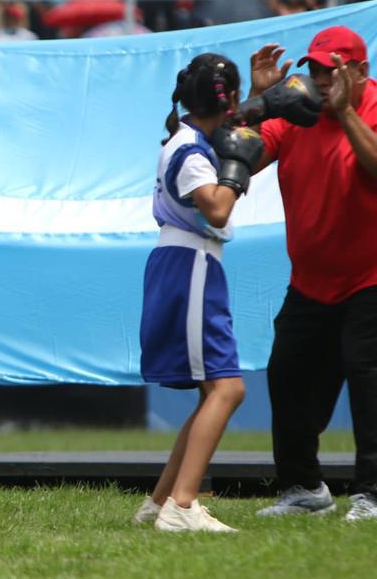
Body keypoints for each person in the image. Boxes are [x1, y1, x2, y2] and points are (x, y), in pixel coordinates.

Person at [250, 27, 377, 522]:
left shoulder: (365, 108)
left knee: (369, 383)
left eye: (333, 70)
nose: (322, 80)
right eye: (316, 69)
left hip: (370, 277)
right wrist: (259, 102)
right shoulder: (296, 112)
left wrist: (345, 113)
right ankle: (303, 488)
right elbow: (243, 159)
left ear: (360, 72)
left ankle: (371, 493)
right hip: (310, 281)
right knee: (288, 376)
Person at [133, 53, 261, 533]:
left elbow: (230, 151)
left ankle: (162, 500)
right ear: (223, 104)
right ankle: (183, 507)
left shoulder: (191, 139)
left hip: (188, 264)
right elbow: (218, 208)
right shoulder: (190, 152)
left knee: (213, 390)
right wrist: (238, 164)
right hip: (190, 265)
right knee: (228, 388)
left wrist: (257, 101)